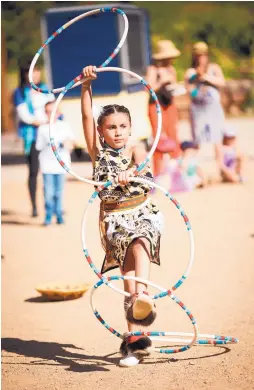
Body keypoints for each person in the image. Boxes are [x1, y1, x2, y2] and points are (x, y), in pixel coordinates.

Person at [81, 65, 164, 367]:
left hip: (142, 213)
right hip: (114, 221)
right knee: (128, 280)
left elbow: (147, 179)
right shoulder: (97, 154)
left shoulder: (139, 150)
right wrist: (86, 86)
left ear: (131, 128)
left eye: (122, 126)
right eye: (111, 127)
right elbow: (86, 117)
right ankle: (134, 341)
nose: (117, 132)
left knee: (140, 242)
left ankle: (142, 295)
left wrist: (131, 173)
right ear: (102, 132)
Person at [13, 62, 55, 217]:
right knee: (33, 171)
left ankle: (52, 206)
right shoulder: (20, 92)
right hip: (32, 137)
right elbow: (23, 115)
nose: (34, 75)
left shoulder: (46, 89)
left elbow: (55, 109)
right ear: (25, 74)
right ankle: (35, 206)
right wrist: (40, 121)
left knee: (51, 170)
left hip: (48, 134)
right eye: (31, 72)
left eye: (37, 71)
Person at [184, 42, 226, 173]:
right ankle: (195, 170)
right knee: (198, 139)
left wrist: (205, 77)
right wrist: (197, 80)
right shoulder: (190, 72)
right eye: (198, 55)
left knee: (217, 138)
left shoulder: (214, 68)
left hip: (214, 108)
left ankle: (221, 167)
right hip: (199, 109)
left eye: (203, 55)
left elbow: (222, 82)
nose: (200, 58)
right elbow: (189, 90)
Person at [146, 40, 182, 179]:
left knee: (174, 135)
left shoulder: (171, 69)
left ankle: (176, 171)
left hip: (169, 104)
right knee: (158, 137)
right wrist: (161, 82)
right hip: (156, 105)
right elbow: (148, 88)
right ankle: (158, 172)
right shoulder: (153, 69)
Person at [36, 102, 74, 226]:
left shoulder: (64, 126)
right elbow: (38, 146)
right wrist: (49, 145)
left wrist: (65, 144)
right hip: (47, 165)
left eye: (53, 111)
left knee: (59, 192)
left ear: (58, 113)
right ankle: (48, 215)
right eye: (47, 112)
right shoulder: (42, 128)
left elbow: (71, 143)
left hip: (61, 165)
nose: (50, 114)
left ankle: (58, 214)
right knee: (48, 192)